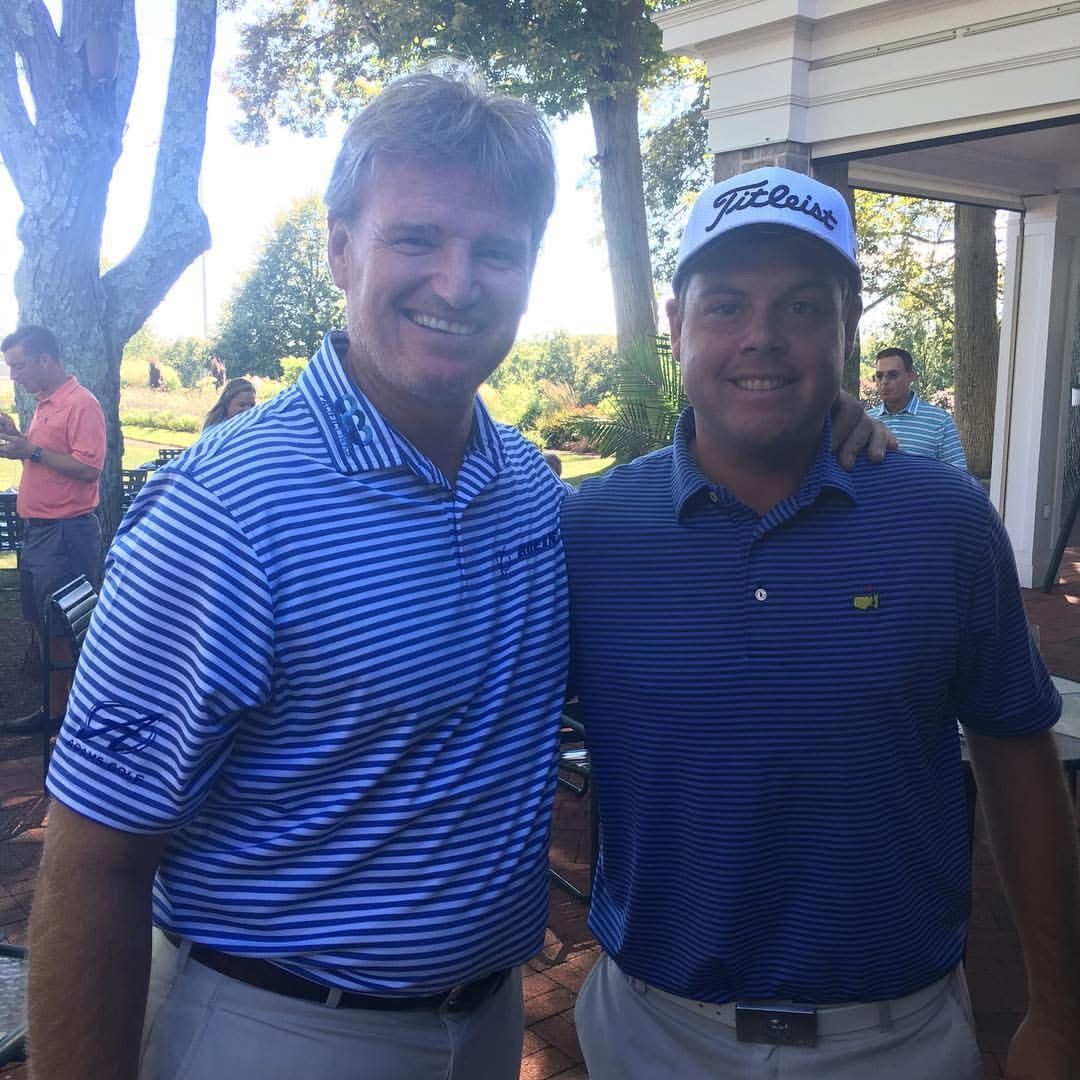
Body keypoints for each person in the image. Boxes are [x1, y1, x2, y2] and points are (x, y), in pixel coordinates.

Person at [26, 78, 886, 1080]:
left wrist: (804, 416)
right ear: (342, 247)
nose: (456, 280)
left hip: (482, 1024)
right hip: (276, 1028)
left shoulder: (527, 487)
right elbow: (95, 858)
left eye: (495, 250)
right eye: (417, 239)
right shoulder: (225, 509)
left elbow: (684, 538)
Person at [563, 167, 1080, 1080]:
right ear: (676, 327)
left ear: (847, 332)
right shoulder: (588, 532)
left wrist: (1059, 1015)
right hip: (651, 1032)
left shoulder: (945, 520)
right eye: (726, 305)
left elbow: (1017, 754)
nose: (762, 336)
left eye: (803, 307)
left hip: (896, 1042)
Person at [0, 325, 105, 735]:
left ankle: (66, 715)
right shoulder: (45, 404)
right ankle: (55, 708)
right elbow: (45, 458)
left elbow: (89, 468)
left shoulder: (81, 404)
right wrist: (19, 440)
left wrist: (33, 450)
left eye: (19, 365)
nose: (14, 375)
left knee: (63, 627)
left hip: (66, 534)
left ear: (45, 359)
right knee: (43, 624)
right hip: (41, 535)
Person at [866, 346, 967, 468]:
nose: (884, 382)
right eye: (879, 376)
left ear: (911, 376)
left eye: (893, 375)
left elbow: (958, 472)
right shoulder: (867, 420)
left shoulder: (940, 421)